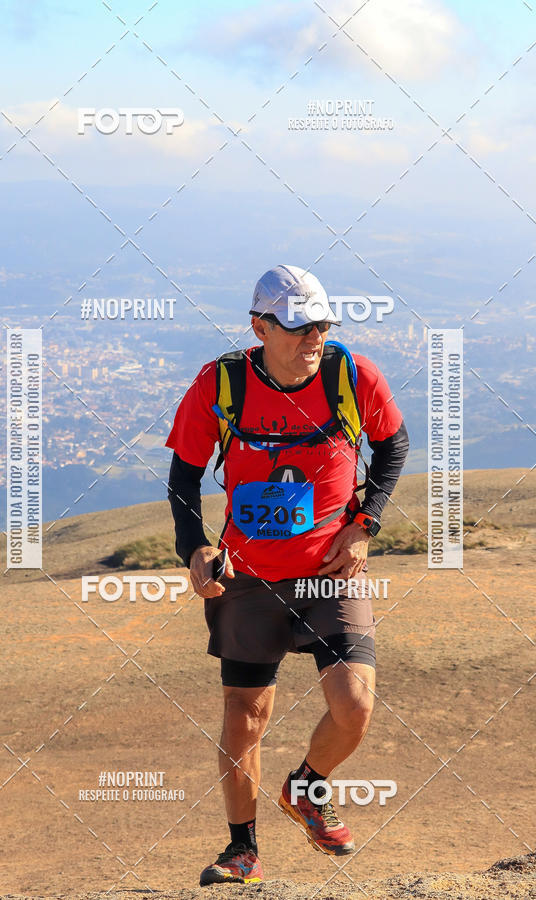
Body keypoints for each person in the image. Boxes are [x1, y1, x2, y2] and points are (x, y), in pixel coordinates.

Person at [166, 264, 409, 886]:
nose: (313, 339)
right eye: (298, 327)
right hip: (248, 576)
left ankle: (307, 787)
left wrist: (364, 525)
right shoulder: (220, 384)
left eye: (321, 325)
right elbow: (186, 474)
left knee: (354, 706)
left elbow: (394, 443)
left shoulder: (351, 376)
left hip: (330, 573)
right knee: (245, 714)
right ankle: (240, 850)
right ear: (259, 326)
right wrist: (191, 547)